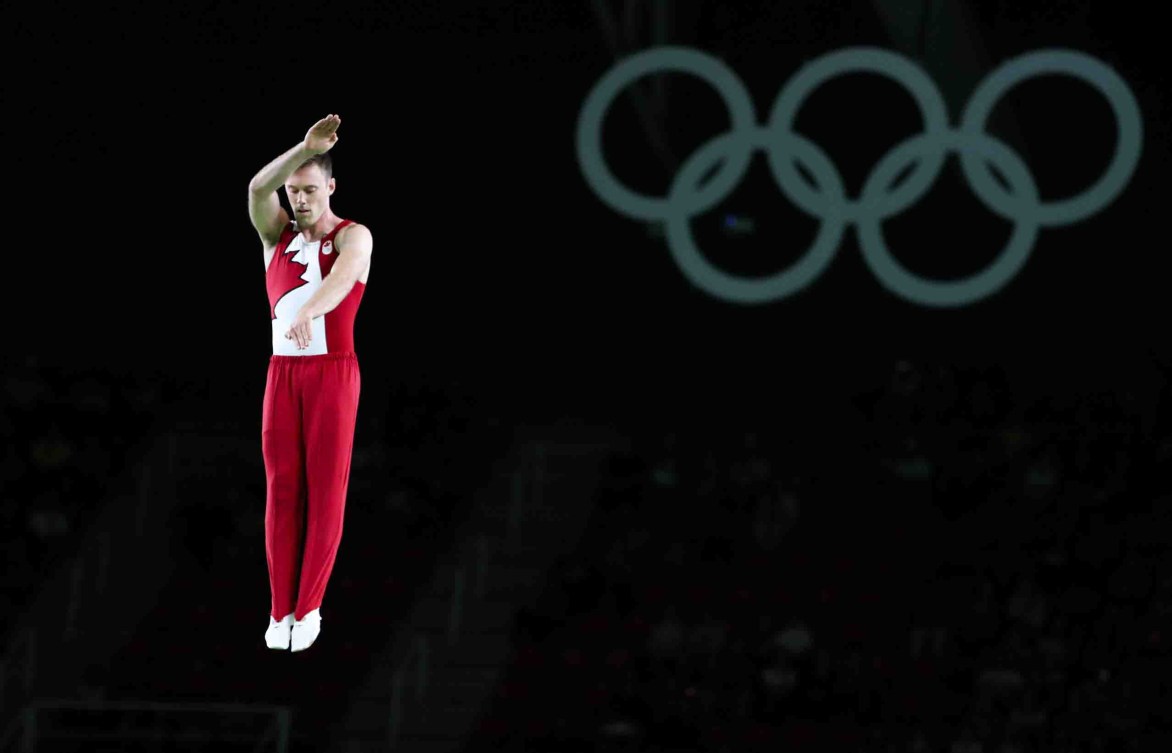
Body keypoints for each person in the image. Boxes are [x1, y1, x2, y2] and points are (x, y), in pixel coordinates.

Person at [247, 114, 373, 652]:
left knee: (327, 491)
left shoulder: (355, 235)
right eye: (293, 191)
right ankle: (279, 613)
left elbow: (346, 277)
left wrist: (311, 313)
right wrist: (302, 147)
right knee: (282, 490)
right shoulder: (273, 235)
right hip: (283, 374)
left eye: (310, 190)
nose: (299, 200)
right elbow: (256, 188)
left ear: (331, 188)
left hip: (332, 373)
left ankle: (310, 607)